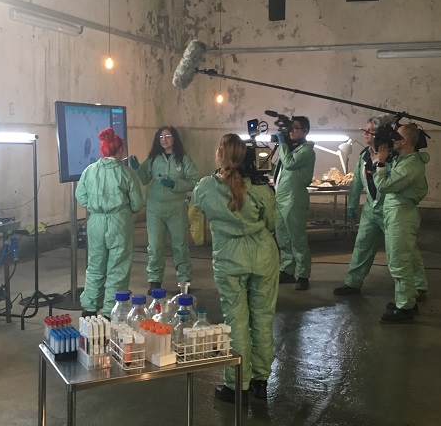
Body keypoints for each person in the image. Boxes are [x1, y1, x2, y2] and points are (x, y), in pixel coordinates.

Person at [191, 133, 280, 404]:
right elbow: (272, 222)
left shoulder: (206, 187)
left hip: (230, 257)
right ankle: (260, 381)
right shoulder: (261, 188)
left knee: (236, 321)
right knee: (263, 319)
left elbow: (197, 205)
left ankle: (236, 384)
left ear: (220, 154)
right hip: (264, 255)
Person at [76, 128, 144, 318]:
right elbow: (138, 202)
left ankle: (89, 308)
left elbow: (80, 194)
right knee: (118, 267)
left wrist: (95, 207)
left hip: (95, 221)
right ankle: (109, 311)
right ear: (120, 150)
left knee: (95, 265)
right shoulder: (126, 173)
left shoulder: (89, 170)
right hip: (119, 222)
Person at [369, 122, 430, 323]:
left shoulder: (411, 164)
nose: (393, 139)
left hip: (401, 215)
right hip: (396, 212)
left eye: (397, 136)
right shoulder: (404, 160)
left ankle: (405, 308)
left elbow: (384, 185)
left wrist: (379, 163)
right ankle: (407, 298)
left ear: (405, 141)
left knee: (399, 261)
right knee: (406, 257)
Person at [129, 126, 200, 295]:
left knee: (180, 244)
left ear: (174, 138)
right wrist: (136, 169)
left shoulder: (183, 160)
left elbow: (194, 181)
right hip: (155, 208)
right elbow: (143, 179)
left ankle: (184, 280)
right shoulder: (153, 159)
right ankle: (154, 281)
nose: (164, 139)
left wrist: (175, 184)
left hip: (177, 208)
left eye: (168, 136)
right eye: (161, 137)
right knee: (155, 245)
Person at [333, 116, 389, 296]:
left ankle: (418, 287)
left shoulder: (393, 156)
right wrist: (353, 203)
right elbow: (357, 180)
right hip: (371, 209)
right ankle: (352, 283)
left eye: (369, 131)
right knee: (362, 245)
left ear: (379, 134)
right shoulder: (365, 155)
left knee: (402, 250)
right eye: (365, 130)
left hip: (390, 209)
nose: (365, 134)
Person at [273, 116, 316, 290]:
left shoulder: (306, 151)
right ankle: (287, 270)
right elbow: (278, 168)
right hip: (281, 198)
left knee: (297, 238)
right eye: (290, 128)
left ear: (305, 131)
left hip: (294, 198)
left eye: (295, 128)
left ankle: (303, 275)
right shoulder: (290, 149)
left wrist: (282, 143)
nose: (291, 132)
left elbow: (289, 164)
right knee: (282, 236)